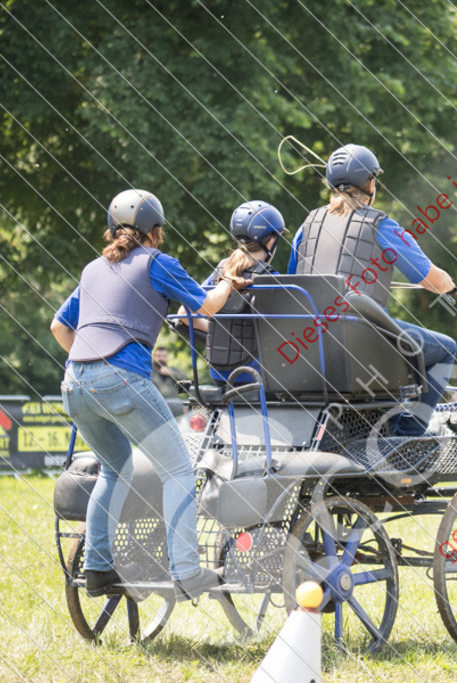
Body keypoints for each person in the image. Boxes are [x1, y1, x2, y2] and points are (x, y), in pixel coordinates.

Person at [50, 188, 250, 600]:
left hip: (73, 384)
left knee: (115, 469)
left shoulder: (92, 269)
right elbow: (207, 306)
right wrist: (228, 282)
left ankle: (98, 568)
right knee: (178, 469)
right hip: (121, 379)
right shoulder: (158, 263)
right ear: (155, 231)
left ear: (112, 230)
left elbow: (58, 327)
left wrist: (90, 366)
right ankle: (186, 570)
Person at [287, 144, 457, 436]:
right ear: (370, 184)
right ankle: (408, 434)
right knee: (445, 349)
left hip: (308, 345)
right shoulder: (381, 225)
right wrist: (451, 286)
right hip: (361, 345)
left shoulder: (307, 225)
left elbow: (294, 279)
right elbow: (432, 279)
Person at [177, 200, 287, 386]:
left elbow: (183, 314)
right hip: (256, 377)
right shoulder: (270, 278)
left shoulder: (221, 270)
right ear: (270, 241)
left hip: (218, 374)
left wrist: (219, 331)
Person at [151, 346, 187, 415]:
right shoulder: (150, 372)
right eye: (158, 356)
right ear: (154, 357)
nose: (161, 358)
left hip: (175, 410)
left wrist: (170, 373)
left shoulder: (173, 370)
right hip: (157, 410)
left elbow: (186, 384)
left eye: (164, 356)